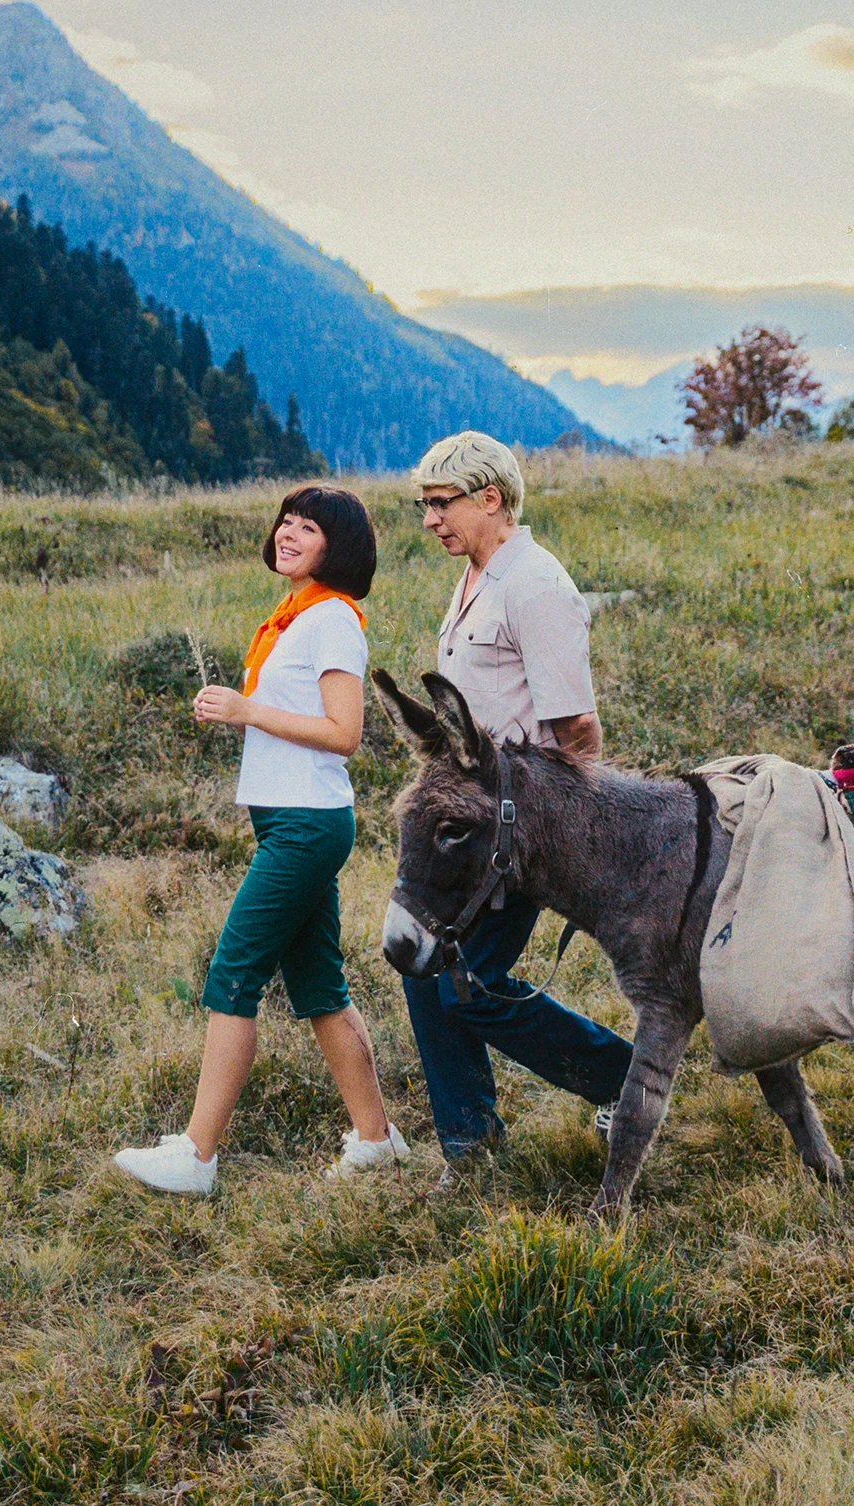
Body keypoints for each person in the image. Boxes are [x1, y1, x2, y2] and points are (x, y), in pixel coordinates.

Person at [112, 485, 411, 1194]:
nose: (288, 533)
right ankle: (377, 1139)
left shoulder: (332, 618)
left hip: (306, 824)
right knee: (319, 987)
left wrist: (250, 708)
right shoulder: (293, 615)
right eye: (286, 521)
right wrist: (242, 712)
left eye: (308, 527)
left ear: (337, 548)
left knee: (233, 974)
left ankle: (197, 1156)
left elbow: (345, 735)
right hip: (289, 819)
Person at [403, 432, 633, 1165]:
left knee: (468, 985)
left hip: (522, 825)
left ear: (491, 498)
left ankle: (627, 1080)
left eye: (443, 504)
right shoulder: (478, 574)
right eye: (425, 506)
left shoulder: (534, 585)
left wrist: (570, 833)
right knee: (428, 966)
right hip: (470, 819)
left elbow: (577, 726)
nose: (431, 520)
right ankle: (470, 1144)